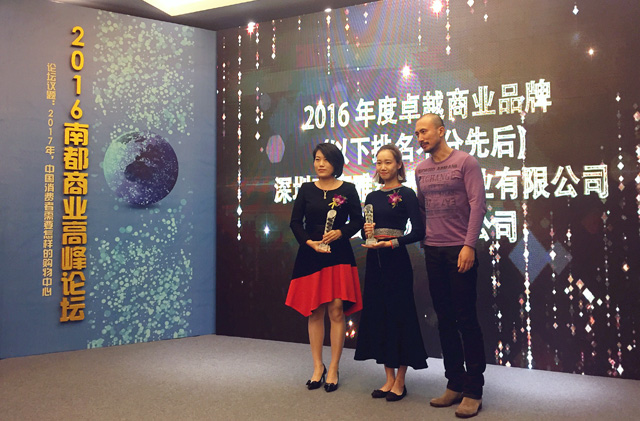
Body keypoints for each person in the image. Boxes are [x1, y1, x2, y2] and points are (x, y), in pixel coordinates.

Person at [414, 113, 487, 418]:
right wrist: (424, 240)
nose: (421, 138)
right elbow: (421, 208)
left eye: (425, 131)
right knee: (444, 319)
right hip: (433, 251)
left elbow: (478, 205)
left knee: (466, 319)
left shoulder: (465, 162)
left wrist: (469, 245)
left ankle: (474, 390)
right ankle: (454, 383)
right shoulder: (420, 169)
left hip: (460, 250)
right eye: (417, 134)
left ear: (441, 131)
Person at [286, 142, 363, 393]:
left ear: (336, 163)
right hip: (311, 254)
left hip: (338, 253)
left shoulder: (348, 189)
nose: (320, 164)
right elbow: (295, 222)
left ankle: (334, 367)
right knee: (315, 310)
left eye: (326, 160)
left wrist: (341, 232)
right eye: (317, 159)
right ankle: (318, 366)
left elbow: (358, 221)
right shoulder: (306, 189)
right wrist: (309, 242)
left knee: (337, 309)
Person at [354, 144, 428, 402]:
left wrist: (393, 243)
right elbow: (366, 232)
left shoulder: (406, 194)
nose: (382, 167)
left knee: (400, 316)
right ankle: (388, 378)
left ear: (398, 164)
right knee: (380, 315)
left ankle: (400, 380)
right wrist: (367, 232)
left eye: (387, 162)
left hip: (396, 259)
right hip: (374, 260)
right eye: (378, 162)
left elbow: (419, 231)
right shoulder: (372, 196)